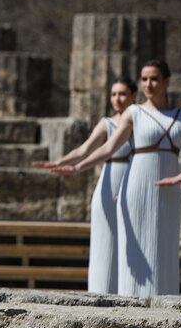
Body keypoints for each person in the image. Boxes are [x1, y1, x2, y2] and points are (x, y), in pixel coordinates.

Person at [53, 60, 181, 298]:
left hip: (167, 192)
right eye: (144, 79)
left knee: (163, 250)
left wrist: (178, 178)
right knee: (135, 259)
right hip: (135, 188)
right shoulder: (133, 113)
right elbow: (108, 149)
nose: (149, 84)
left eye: (154, 78)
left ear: (167, 81)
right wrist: (78, 168)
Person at [33, 77, 137, 294]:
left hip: (132, 181)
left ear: (134, 96)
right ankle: (101, 291)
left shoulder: (139, 121)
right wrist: (60, 162)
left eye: (122, 94)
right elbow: (85, 149)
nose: (117, 99)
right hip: (109, 181)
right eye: (114, 94)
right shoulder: (107, 123)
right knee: (105, 241)